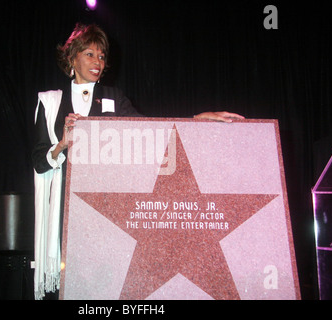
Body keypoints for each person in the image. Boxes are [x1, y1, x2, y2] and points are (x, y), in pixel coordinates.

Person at [32, 23, 244, 300]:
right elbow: (38, 161)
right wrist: (62, 144)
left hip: (107, 208)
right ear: (71, 57)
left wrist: (194, 121)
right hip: (65, 209)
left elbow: (150, 132)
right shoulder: (49, 102)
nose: (98, 62)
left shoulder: (113, 97)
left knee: (103, 286)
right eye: (90, 54)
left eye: (102, 56)